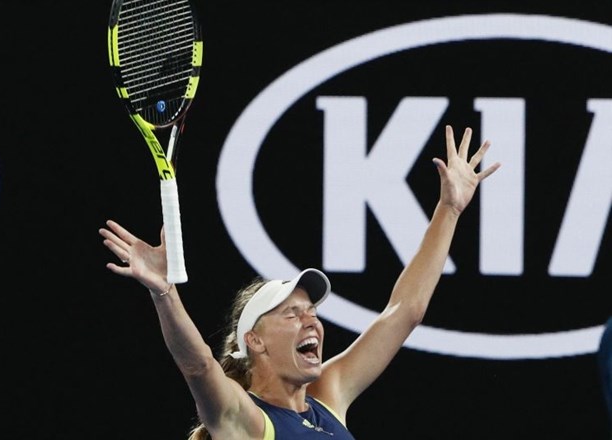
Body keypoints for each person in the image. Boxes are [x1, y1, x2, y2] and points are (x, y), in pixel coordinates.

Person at [99, 125, 500, 439]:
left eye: (311, 311)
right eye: (292, 313)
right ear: (253, 341)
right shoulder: (246, 421)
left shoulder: (329, 394)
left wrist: (449, 209)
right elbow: (198, 364)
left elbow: (404, 312)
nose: (312, 321)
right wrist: (164, 293)